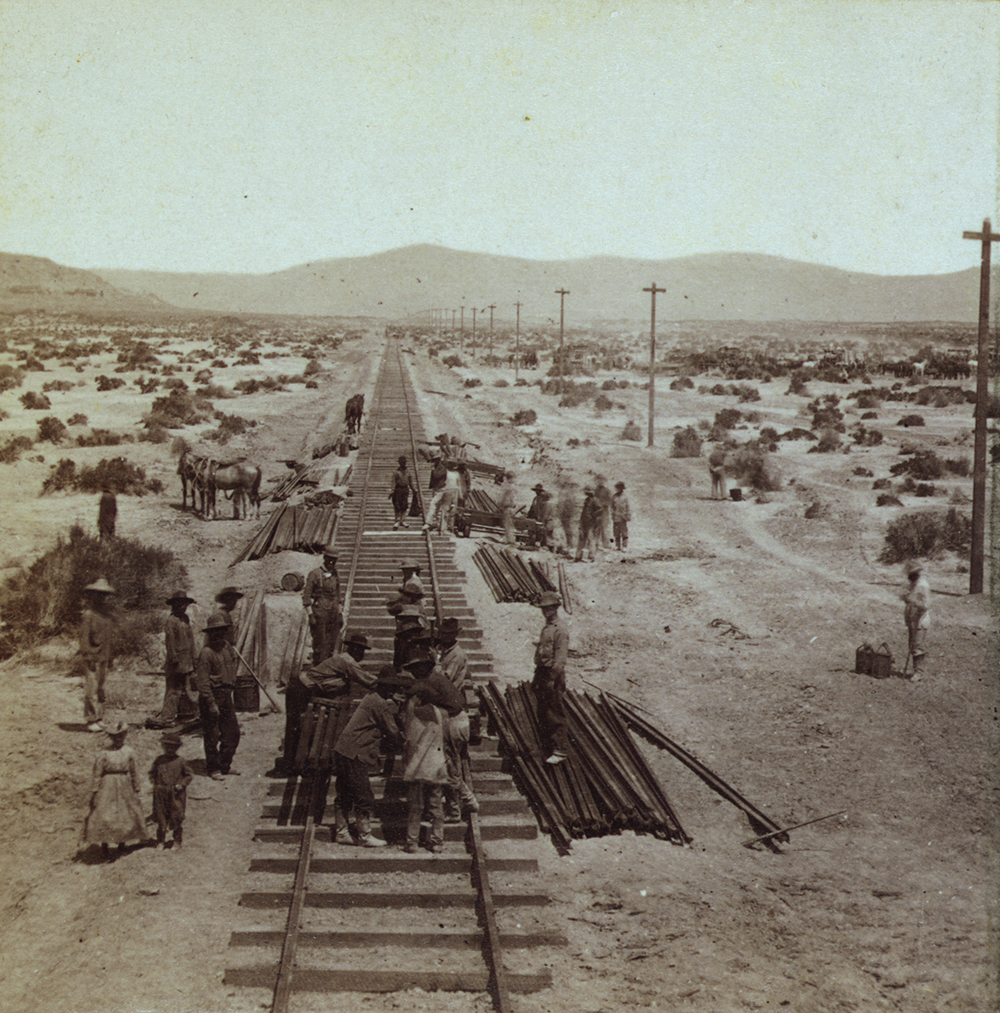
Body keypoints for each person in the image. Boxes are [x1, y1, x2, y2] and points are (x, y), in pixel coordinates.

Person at [331, 665, 408, 848]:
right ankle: (364, 836)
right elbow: (392, 731)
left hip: (344, 750)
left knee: (344, 793)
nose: (393, 690)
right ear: (382, 686)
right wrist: (407, 739)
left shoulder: (371, 698)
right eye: (390, 686)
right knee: (364, 795)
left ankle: (341, 832)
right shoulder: (379, 703)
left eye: (394, 686)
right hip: (355, 753)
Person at [280, 631, 374, 773]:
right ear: (354, 649)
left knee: (297, 725)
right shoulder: (346, 661)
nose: (362, 654)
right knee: (296, 725)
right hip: (300, 689)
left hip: (303, 688)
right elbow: (367, 679)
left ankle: (291, 762)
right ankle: (289, 765)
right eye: (361, 650)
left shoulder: (344, 660)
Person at [406, 652, 479, 824]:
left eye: (418, 667)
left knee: (449, 767)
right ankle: (462, 803)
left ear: (426, 666)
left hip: (453, 722)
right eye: (413, 668)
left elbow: (415, 691)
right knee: (449, 766)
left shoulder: (428, 681)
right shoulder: (435, 678)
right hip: (456, 720)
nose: (415, 671)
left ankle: (461, 806)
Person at [400, 652, 450, 853]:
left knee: (416, 806)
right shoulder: (441, 714)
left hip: (418, 766)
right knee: (436, 805)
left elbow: (410, 742)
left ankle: (412, 842)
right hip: (437, 765)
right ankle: (437, 841)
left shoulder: (415, 717)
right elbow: (445, 741)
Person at [82, 720, 147, 861]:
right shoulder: (104, 753)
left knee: (125, 814)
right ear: (111, 738)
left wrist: (137, 789)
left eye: (121, 736)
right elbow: (97, 773)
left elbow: (134, 771)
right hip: (107, 785)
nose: (118, 739)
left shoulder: (129, 751)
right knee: (105, 814)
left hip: (124, 784)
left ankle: (122, 845)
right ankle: (105, 847)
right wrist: (95, 790)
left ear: (124, 736)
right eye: (115, 737)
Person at [193, 619, 241, 781]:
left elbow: (232, 668)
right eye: (215, 632)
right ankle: (213, 768)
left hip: (226, 695)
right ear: (210, 634)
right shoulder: (207, 653)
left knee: (233, 733)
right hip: (212, 696)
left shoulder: (226, 649)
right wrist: (211, 703)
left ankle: (224, 765)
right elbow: (202, 681)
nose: (219, 634)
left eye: (221, 631)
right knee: (212, 735)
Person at [147, 591, 198, 729]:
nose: (183, 607)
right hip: (176, 663)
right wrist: (175, 662)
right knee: (173, 690)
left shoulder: (185, 619)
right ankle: (167, 717)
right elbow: (171, 644)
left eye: (185, 605)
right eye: (180, 604)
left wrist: (194, 659)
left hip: (187, 661)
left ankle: (188, 714)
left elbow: (191, 641)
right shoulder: (171, 621)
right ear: (174, 605)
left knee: (189, 689)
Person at [532, 590, 570, 764]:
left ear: (556, 608)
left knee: (554, 711)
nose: (546, 611)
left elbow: (560, 658)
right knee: (543, 709)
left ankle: (560, 750)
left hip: (551, 673)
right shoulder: (547, 627)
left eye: (549, 608)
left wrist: (552, 677)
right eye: (543, 608)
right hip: (542, 671)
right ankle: (547, 746)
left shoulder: (560, 629)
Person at [79, 578, 116, 731]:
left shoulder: (107, 615)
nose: (101, 598)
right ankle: (90, 719)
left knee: (101, 689)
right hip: (92, 657)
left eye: (103, 595)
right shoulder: (88, 614)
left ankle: (99, 717)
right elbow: (84, 638)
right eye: (97, 594)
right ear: (92, 596)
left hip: (104, 657)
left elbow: (110, 638)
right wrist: (89, 655)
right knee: (91, 689)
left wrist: (110, 657)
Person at [149, 732, 194, 850]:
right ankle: (160, 841)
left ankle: (177, 840)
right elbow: (152, 773)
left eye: (173, 747)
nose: (169, 749)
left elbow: (189, 775)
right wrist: (155, 784)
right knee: (161, 816)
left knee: (176, 816)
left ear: (177, 748)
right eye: (167, 746)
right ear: (163, 747)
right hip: (161, 792)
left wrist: (182, 784)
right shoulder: (159, 760)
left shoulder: (181, 761)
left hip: (176, 793)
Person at [302, 544, 342, 664]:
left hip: (333, 611)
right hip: (320, 611)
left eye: (334, 560)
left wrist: (340, 613)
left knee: (332, 640)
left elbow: (338, 595)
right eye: (330, 559)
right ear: (325, 558)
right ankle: (317, 666)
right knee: (320, 641)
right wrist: (310, 615)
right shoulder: (315, 574)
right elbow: (306, 597)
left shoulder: (335, 574)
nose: (332, 562)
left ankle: (328, 667)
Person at [901, 561, 931, 680]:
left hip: (920, 620)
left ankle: (919, 672)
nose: (909, 577)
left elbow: (926, 605)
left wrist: (913, 601)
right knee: (912, 645)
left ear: (916, 574)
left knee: (918, 646)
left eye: (911, 574)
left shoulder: (923, 585)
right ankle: (915, 670)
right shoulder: (912, 584)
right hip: (912, 619)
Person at [437, 617, 469, 692]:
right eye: (443, 633)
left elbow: (445, 679)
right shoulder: (444, 650)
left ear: (455, 634)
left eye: (448, 634)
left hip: (450, 694)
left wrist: (436, 662)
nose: (444, 636)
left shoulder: (457, 655)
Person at [573, 488, 602, 563]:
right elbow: (584, 512)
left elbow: (600, 510)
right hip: (584, 523)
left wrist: (593, 516)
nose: (588, 493)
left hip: (591, 523)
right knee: (581, 539)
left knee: (591, 539)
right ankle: (578, 556)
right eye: (587, 492)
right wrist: (581, 522)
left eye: (590, 492)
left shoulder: (595, 500)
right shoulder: (587, 500)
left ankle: (592, 556)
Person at [390, 455, 418, 530]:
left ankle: (403, 520)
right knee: (397, 505)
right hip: (398, 489)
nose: (403, 464)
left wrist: (414, 489)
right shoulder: (396, 472)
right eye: (401, 462)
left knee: (404, 504)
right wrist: (392, 490)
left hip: (405, 489)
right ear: (399, 463)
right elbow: (393, 482)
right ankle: (397, 520)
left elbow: (411, 481)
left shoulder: (408, 472)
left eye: (404, 462)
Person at [422, 454, 448, 532]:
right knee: (437, 507)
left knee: (433, 504)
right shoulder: (436, 467)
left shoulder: (443, 468)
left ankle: (428, 522)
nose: (433, 462)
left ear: (439, 460)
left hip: (441, 489)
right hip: (435, 489)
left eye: (435, 460)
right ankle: (436, 523)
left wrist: (433, 470)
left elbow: (436, 476)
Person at [611, 481, 632, 551]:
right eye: (617, 488)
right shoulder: (614, 497)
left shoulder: (625, 497)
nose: (617, 489)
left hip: (623, 517)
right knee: (616, 532)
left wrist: (628, 515)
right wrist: (613, 514)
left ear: (622, 488)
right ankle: (617, 546)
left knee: (624, 532)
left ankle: (624, 546)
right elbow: (612, 507)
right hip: (616, 517)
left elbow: (628, 507)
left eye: (619, 488)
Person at [498, 471, 517, 545]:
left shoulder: (507, 486)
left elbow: (502, 497)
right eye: (513, 478)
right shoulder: (509, 487)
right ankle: (510, 540)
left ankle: (510, 540)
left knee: (508, 524)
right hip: (508, 507)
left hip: (508, 507)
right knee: (508, 524)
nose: (514, 480)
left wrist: (500, 505)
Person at [593, 475, 612, 549]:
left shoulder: (607, 491)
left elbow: (610, 501)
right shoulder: (594, 491)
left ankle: (605, 544)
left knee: (604, 527)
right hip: (596, 511)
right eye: (599, 480)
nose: (600, 482)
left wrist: (604, 504)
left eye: (602, 480)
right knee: (596, 527)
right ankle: (596, 543)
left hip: (604, 511)